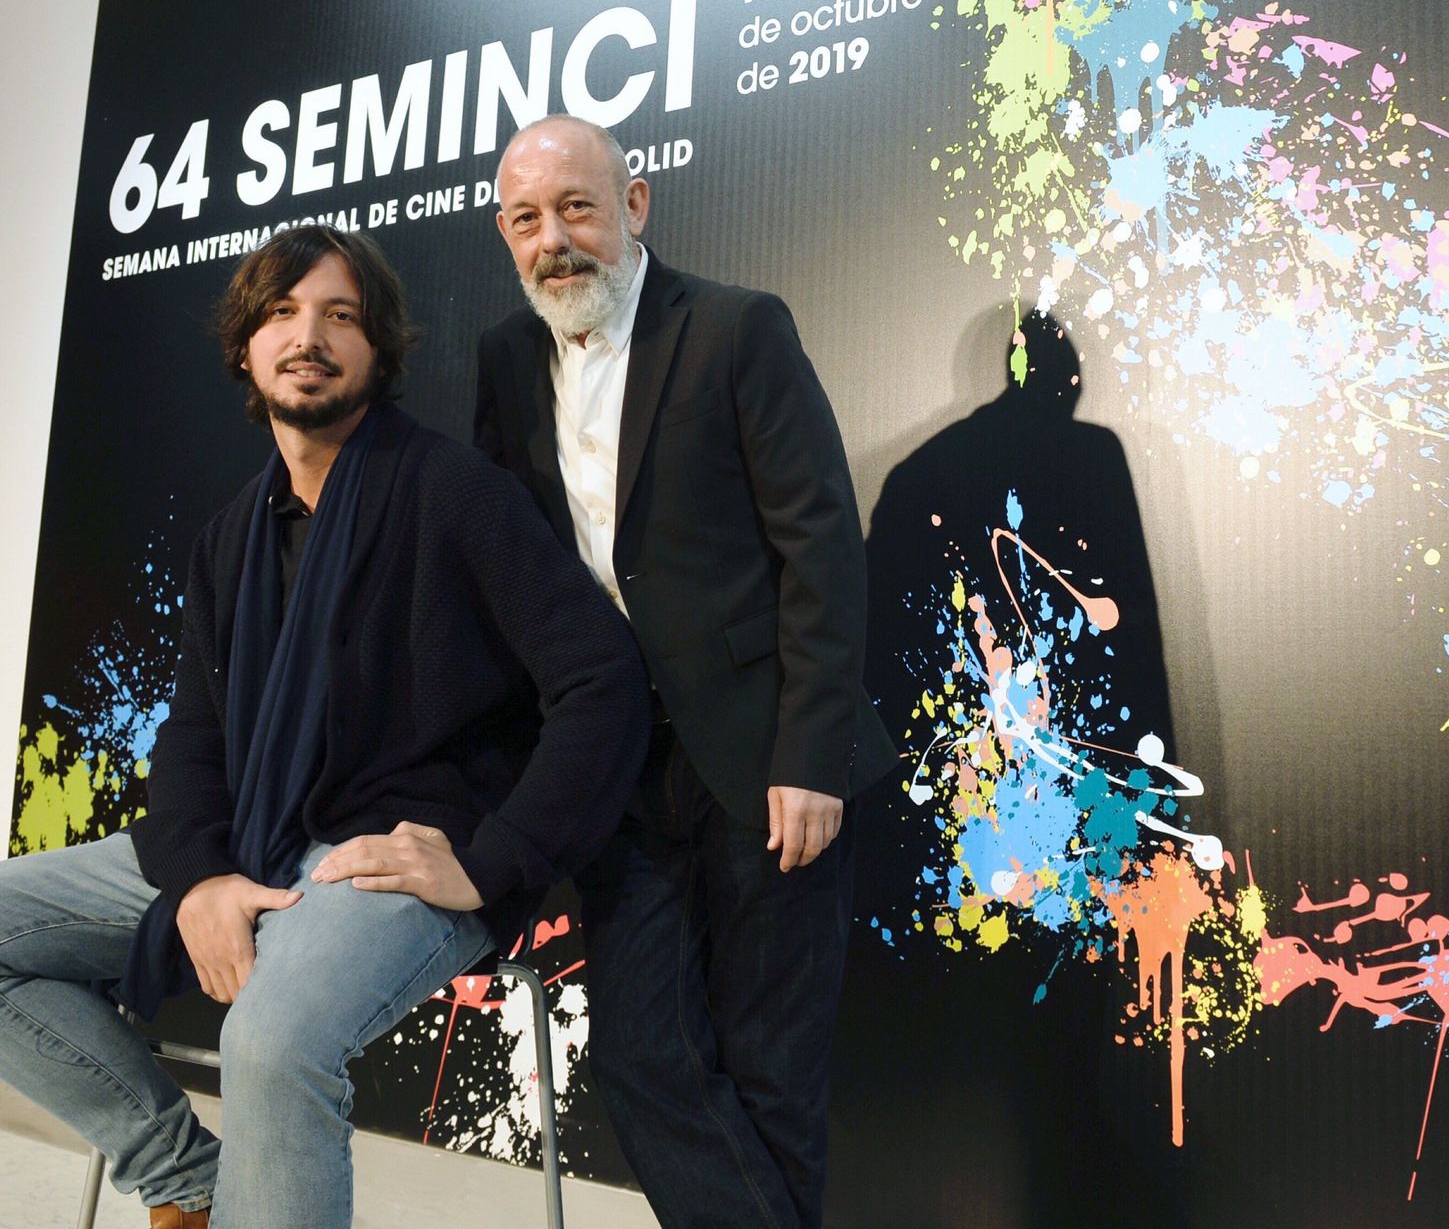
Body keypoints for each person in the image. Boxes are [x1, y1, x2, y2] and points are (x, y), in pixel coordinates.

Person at [0, 226, 647, 1229]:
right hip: (254, 836)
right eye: (283, 312)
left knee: (272, 1037)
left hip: (393, 850)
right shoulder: (234, 537)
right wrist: (202, 878)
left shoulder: (452, 491)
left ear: (378, 352)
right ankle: (186, 1175)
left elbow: (602, 679)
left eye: (340, 315)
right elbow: (196, 743)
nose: (309, 334)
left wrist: (494, 858)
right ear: (247, 347)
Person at [475, 114, 895, 1228]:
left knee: (772, 1071)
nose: (553, 240)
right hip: (616, 764)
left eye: (576, 207)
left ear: (636, 204)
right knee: (642, 1054)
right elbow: (507, 566)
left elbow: (819, 542)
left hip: (766, 756)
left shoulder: (736, 328)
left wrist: (810, 753)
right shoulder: (505, 360)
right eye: (526, 219)